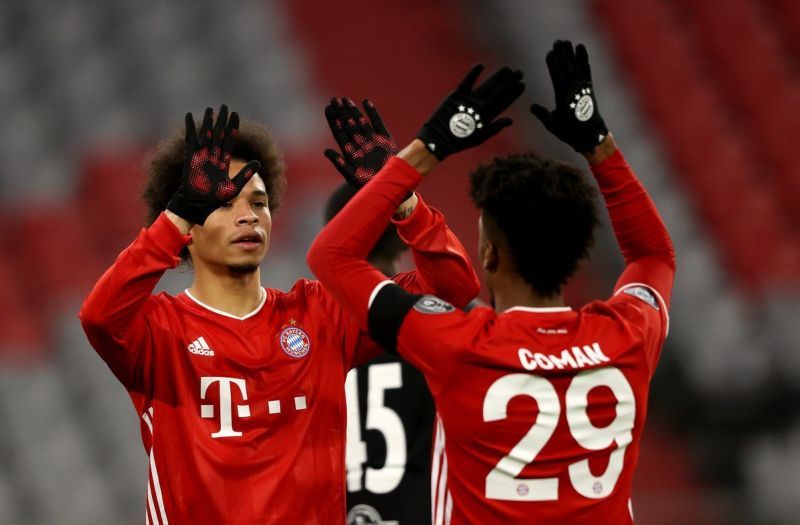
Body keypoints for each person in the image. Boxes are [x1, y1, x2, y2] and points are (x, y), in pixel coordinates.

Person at [308, 40, 675, 525]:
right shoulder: (628, 333)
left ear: (488, 253)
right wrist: (598, 143)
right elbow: (653, 255)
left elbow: (331, 255)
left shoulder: (458, 342)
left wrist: (429, 147)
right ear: (578, 253)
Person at [78, 102, 480, 523]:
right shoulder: (157, 331)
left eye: (259, 202)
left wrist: (403, 200)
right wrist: (175, 217)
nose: (248, 216)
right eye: (223, 203)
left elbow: (450, 289)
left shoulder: (320, 314)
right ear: (188, 226)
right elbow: (99, 316)